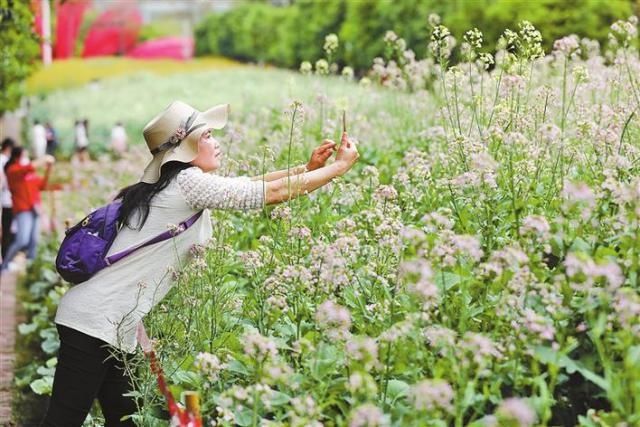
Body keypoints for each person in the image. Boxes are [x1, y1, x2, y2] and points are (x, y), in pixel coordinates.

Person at [42, 100, 359, 426]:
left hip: (116, 328)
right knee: (64, 420)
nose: (216, 141)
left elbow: (250, 184)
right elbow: (272, 193)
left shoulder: (176, 186)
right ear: (186, 147)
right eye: (207, 136)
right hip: (93, 323)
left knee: (124, 421)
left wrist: (308, 169)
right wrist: (338, 168)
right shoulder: (188, 184)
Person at [1, 148, 54, 270]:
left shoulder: (29, 174)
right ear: (17, 157)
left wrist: (48, 169)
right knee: (22, 240)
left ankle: (31, 269)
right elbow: (27, 167)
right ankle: (5, 265)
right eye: (24, 155)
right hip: (23, 209)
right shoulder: (13, 171)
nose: (27, 158)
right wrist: (43, 159)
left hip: (35, 209)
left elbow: (42, 185)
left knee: (33, 241)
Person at [1, 137, 16, 260]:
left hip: (6, 199)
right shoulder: (5, 161)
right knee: (7, 230)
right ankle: (6, 259)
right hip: (6, 200)